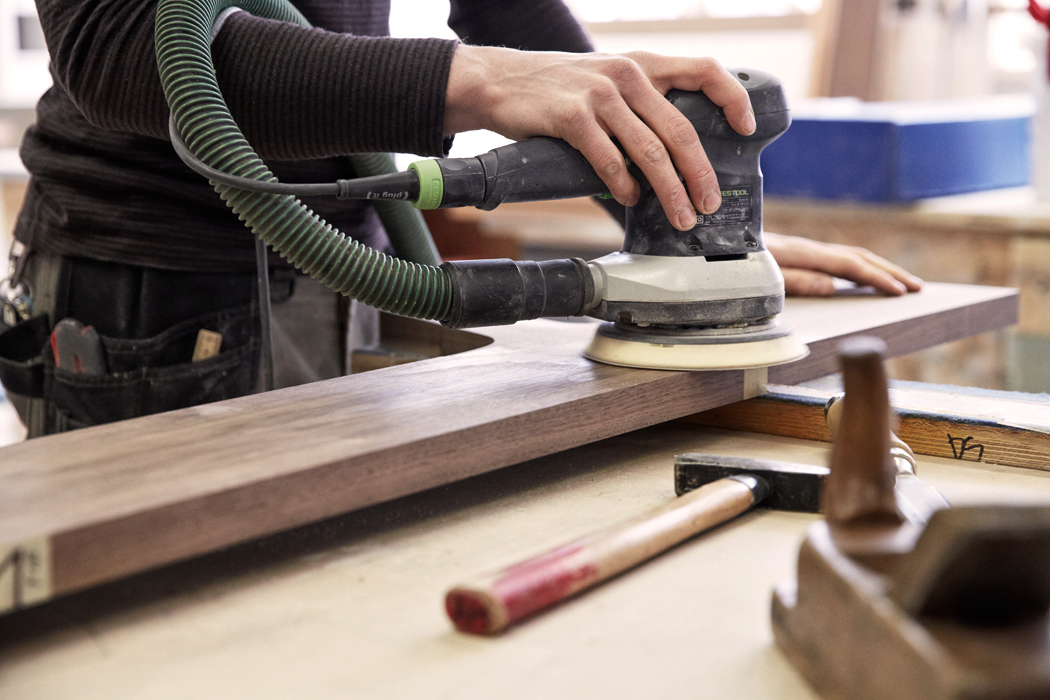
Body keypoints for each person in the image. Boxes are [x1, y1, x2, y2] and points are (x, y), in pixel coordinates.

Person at [0, 0, 921, 437]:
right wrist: (481, 80)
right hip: (150, 286)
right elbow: (119, 45)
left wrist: (689, 221)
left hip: (332, 257)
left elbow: (504, 3)